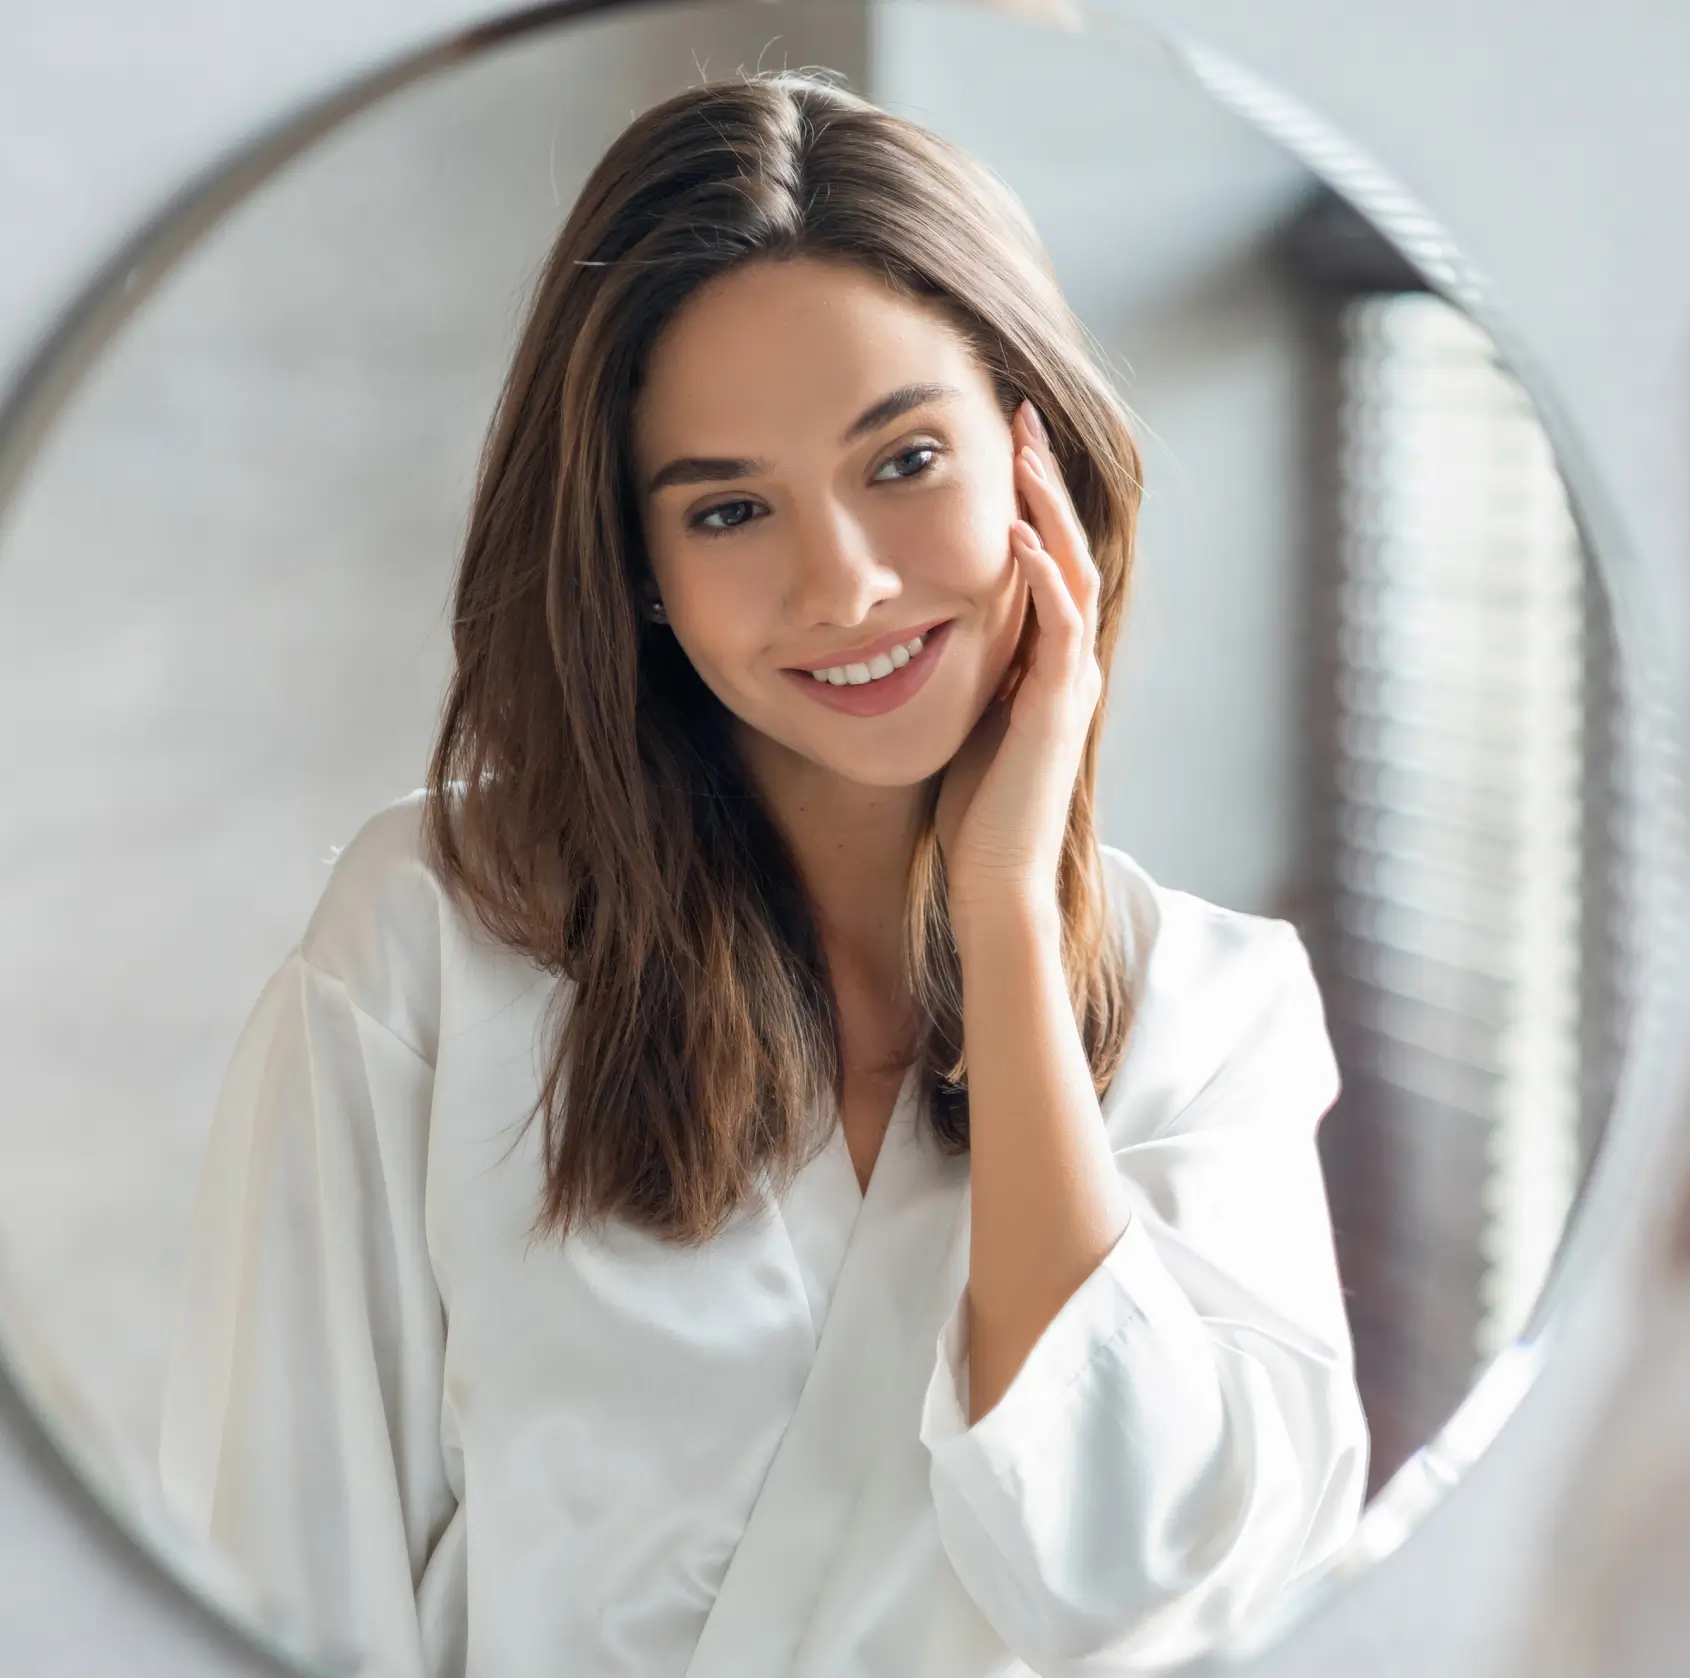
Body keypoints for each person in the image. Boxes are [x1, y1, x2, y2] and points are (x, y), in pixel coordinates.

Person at [157, 68, 1368, 1678]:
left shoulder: (1210, 1019)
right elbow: (267, 1579)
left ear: (1037, 459)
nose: (843, 585)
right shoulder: (432, 945)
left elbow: (1129, 1585)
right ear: (636, 566)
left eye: (903, 460)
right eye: (729, 508)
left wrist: (1004, 920)